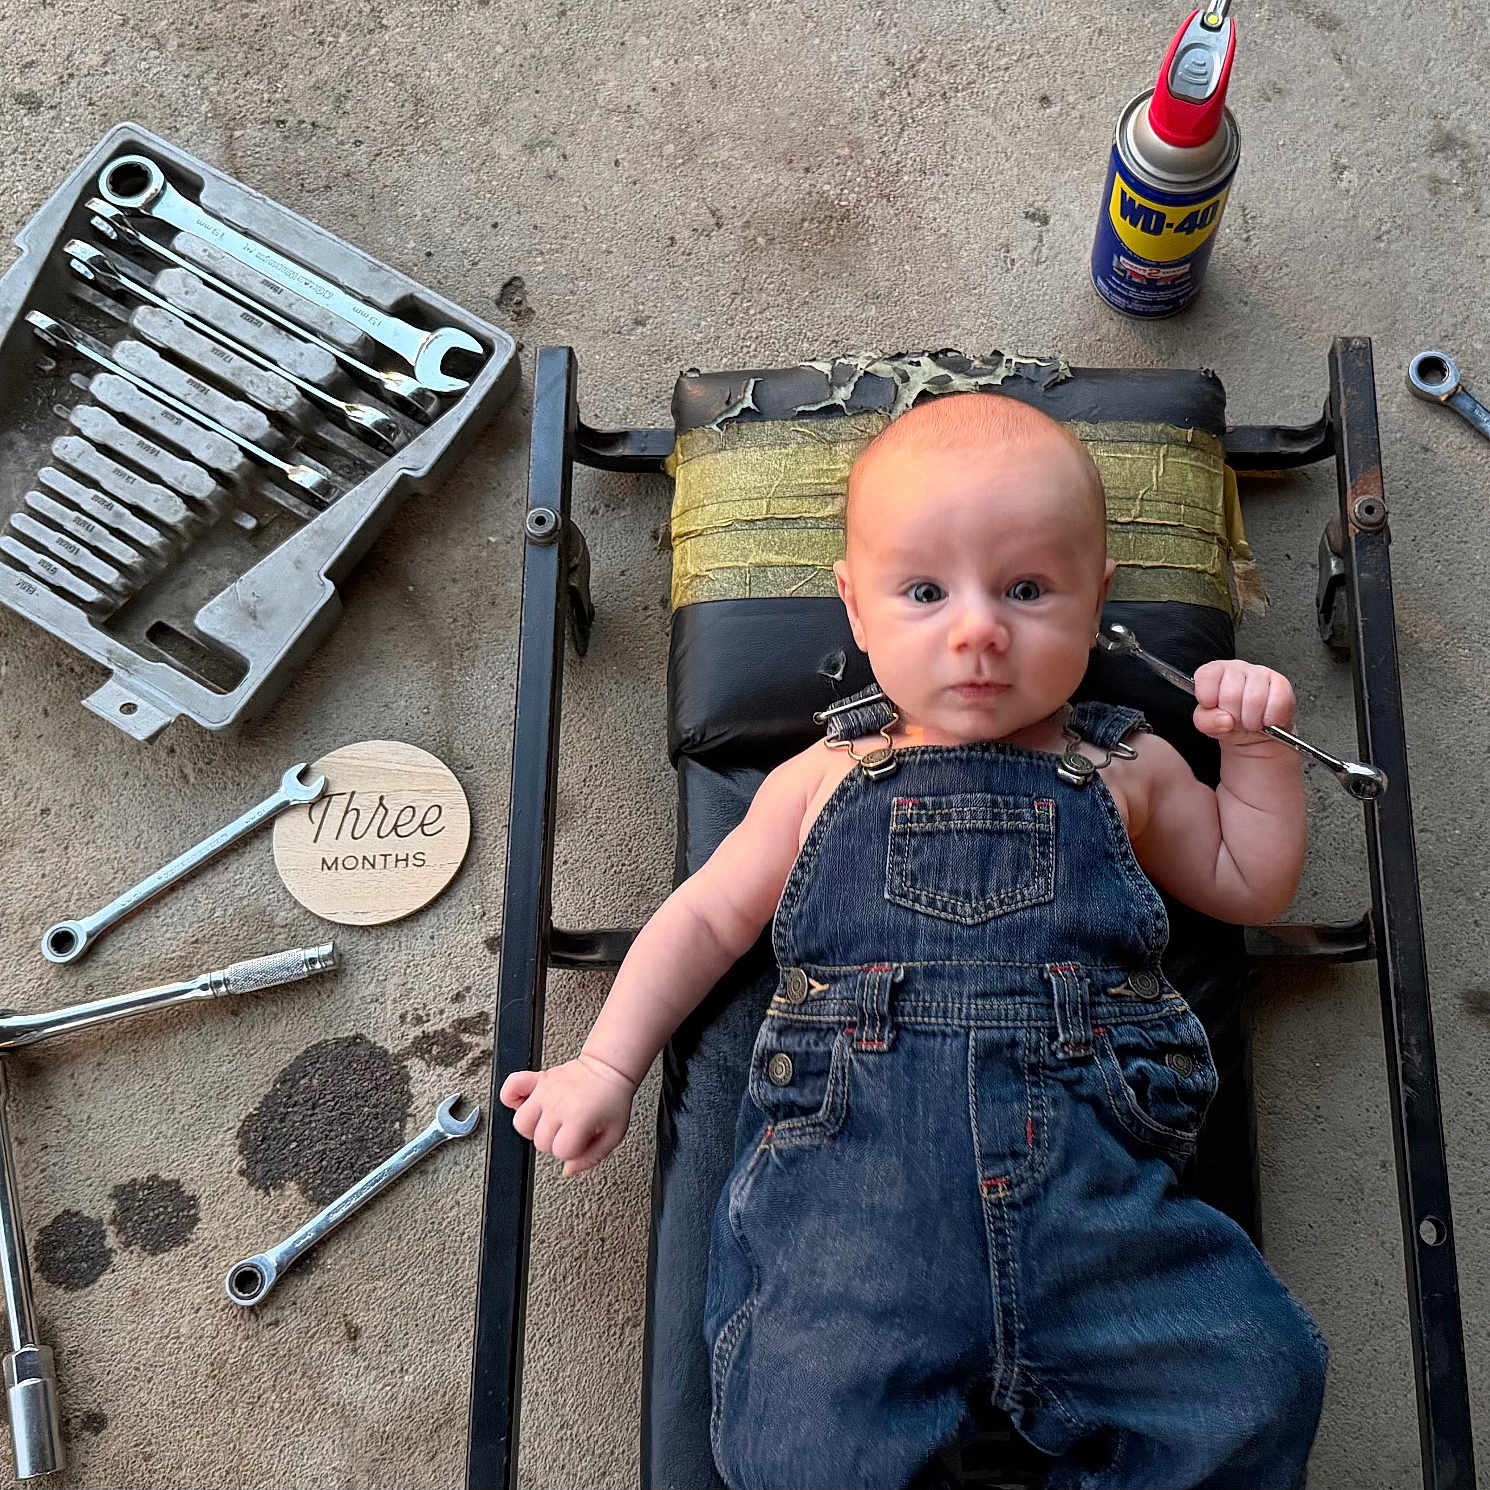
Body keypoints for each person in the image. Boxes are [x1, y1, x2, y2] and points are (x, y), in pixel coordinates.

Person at [501, 392, 1328, 1490]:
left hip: (1097, 1216)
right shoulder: (817, 777)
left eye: (1028, 590)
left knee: (1260, 1380)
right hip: (853, 1230)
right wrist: (606, 1059)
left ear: (1098, 603)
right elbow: (700, 916)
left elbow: (1246, 882)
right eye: (925, 591)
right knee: (794, 1446)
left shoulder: (1130, 765)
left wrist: (1256, 751)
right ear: (854, 606)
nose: (977, 628)